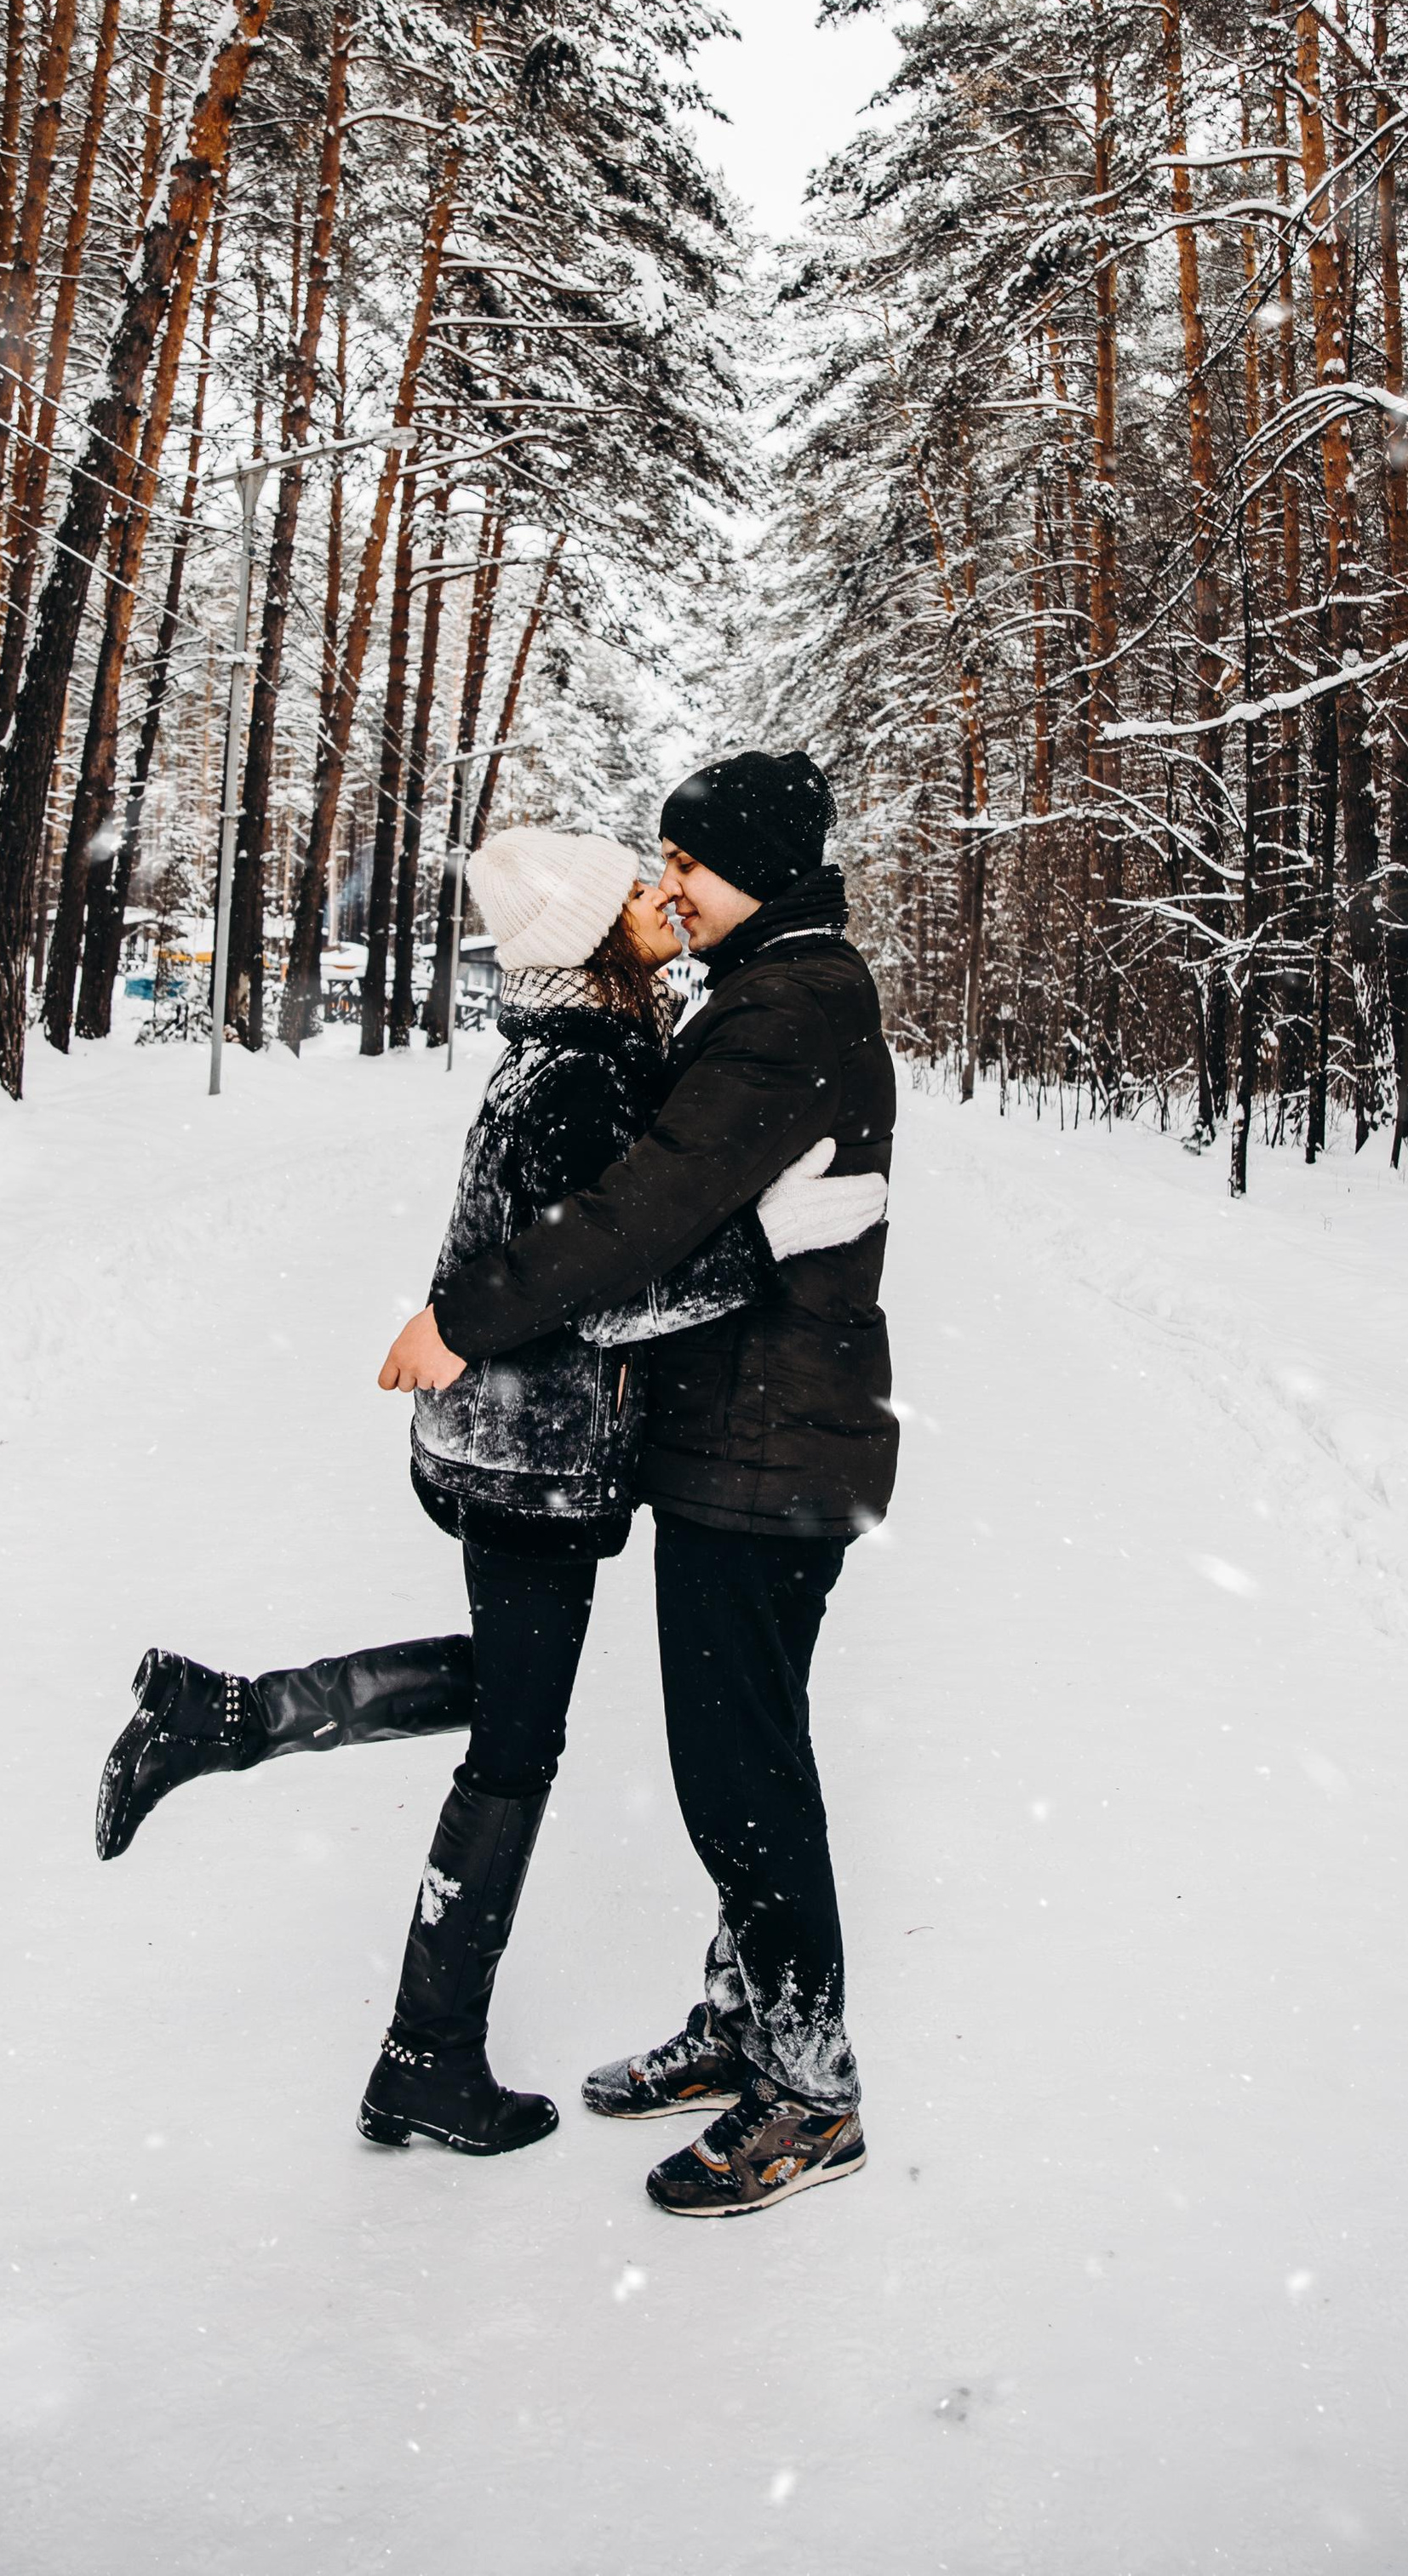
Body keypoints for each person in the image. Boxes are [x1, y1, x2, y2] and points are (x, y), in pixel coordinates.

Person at [94, 823, 883, 2166]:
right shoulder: (574, 1079)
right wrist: (777, 1242)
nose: (656, 896)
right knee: (517, 1736)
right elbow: (613, 1283)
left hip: (525, 1448)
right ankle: (422, 2054)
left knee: (518, 1696)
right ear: (586, 939)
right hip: (533, 1454)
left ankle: (232, 1724)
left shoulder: (591, 1048)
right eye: (630, 890)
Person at [380, 750, 896, 2220]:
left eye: (687, 861)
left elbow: (638, 1218)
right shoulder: (763, 992)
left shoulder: (787, 1007)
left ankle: (809, 2088)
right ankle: (749, 2020)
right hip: (744, 1439)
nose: (667, 884)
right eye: (656, 862)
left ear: (757, 870)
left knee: (743, 1773)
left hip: (774, 1447)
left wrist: (463, 1318)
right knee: (734, 1754)